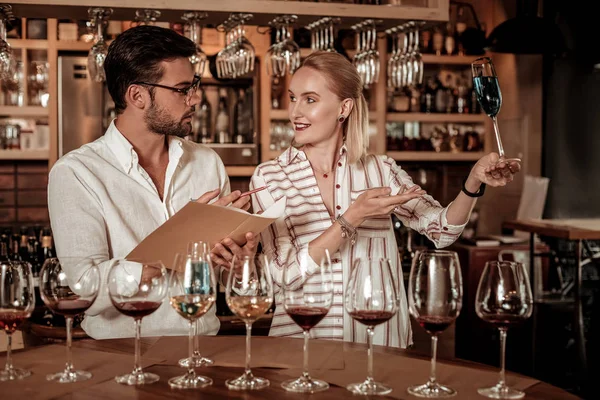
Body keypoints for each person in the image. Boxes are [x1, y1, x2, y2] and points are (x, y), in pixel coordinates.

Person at [233, 51, 519, 348]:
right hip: (302, 347)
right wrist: (350, 219)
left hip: (379, 345)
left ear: (344, 108)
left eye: (310, 99)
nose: (295, 112)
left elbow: (443, 232)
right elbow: (284, 275)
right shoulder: (270, 177)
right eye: (293, 98)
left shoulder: (380, 171)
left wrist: (473, 182)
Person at [48, 25, 257, 339]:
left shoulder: (206, 162)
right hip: (120, 361)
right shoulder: (76, 173)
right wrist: (180, 242)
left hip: (202, 356)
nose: (196, 98)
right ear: (137, 95)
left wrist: (240, 264)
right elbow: (85, 287)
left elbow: (222, 281)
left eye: (195, 85)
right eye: (182, 88)